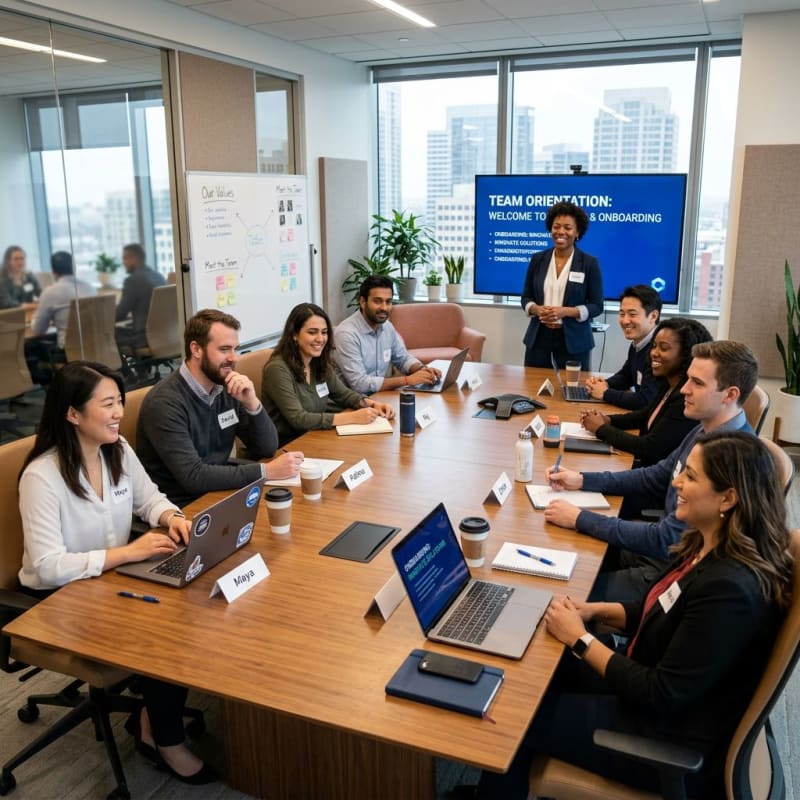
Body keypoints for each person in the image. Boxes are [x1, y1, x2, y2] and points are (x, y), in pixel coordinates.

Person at [476, 432, 793, 800]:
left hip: (664, 736)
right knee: (537, 669)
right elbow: (664, 610)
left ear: (728, 498)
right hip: (649, 680)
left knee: (515, 717)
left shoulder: (730, 589)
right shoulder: (708, 544)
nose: (677, 482)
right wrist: (593, 611)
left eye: (691, 476)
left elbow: (660, 693)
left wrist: (581, 639)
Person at [17, 361, 216, 784]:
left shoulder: (117, 449)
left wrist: (172, 517)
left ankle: (150, 715)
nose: (119, 413)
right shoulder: (42, 477)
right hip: (58, 597)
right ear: (73, 414)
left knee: (195, 601)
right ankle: (164, 740)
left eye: (120, 402)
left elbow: (150, 499)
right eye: (107, 404)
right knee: (166, 630)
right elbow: (48, 566)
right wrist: (126, 553)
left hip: (110, 578)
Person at [543, 340, 758, 603]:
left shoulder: (730, 457)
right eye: (688, 379)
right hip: (659, 552)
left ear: (730, 395)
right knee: (566, 554)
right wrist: (582, 480)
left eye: (697, 383)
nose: (684, 390)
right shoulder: (705, 429)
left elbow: (667, 539)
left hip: (674, 572)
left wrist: (580, 518)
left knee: (564, 593)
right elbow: (655, 476)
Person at [137, 309, 302, 507]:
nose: (234, 358)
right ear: (196, 349)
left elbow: (266, 448)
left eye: (235, 349)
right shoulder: (164, 402)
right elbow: (193, 476)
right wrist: (266, 471)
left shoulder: (226, 386)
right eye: (224, 349)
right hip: (181, 508)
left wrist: (252, 404)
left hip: (220, 492)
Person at [579, 318, 712, 518]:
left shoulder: (684, 399)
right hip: (648, 473)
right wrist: (609, 420)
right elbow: (645, 415)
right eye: (654, 346)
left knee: (592, 497)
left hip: (658, 490)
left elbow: (648, 447)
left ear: (686, 354)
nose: (654, 353)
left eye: (663, 348)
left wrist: (601, 429)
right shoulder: (669, 383)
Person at [261, 302, 395, 446]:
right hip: (287, 446)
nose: (320, 339)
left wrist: (372, 404)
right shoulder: (277, 369)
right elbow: (298, 418)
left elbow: (344, 395)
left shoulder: (317, 362)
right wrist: (352, 417)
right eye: (312, 332)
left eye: (324, 332)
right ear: (294, 334)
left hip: (315, 436)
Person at [521, 201, 603, 370]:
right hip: (539, 337)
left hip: (574, 341)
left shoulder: (589, 263)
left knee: (572, 385)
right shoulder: (537, 259)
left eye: (568, 227)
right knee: (533, 383)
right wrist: (537, 309)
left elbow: (597, 306)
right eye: (556, 226)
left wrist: (566, 311)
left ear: (577, 232)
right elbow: (526, 298)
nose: (561, 232)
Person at [333, 275, 441, 394]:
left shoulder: (387, 327)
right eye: (377, 301)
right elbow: (360, 384)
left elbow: (403, 358)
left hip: (380, 396)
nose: (384, 308)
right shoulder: (346, 334)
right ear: (363, 302)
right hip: (354, 402)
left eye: (388, 302)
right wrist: (407, 380)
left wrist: (422, 370)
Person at [586, 284, 662, 409]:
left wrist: (605, 393)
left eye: (632, 314)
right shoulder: (638, 343)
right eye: (622, 314)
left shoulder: (659, 351)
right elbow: (626, 376)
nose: (625, 321)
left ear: (653, 316)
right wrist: (604, 384)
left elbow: (646, 401)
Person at [24, 251, 95, 385]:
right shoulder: (90, 288)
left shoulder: (50, 292)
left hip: (67, 352)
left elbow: (38, 330)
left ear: (53, 272)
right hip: (93, 347)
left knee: (28, 349)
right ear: (73, 267)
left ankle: (50, 388)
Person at [115, 243, 166, 350]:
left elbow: (121, 313)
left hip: (143, 338)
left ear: (134, 259)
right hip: (164, 336)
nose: (123, 263)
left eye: (125, 258)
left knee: (107, 337)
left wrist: (103, 319)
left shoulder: (132, 280)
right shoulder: (159, 276)